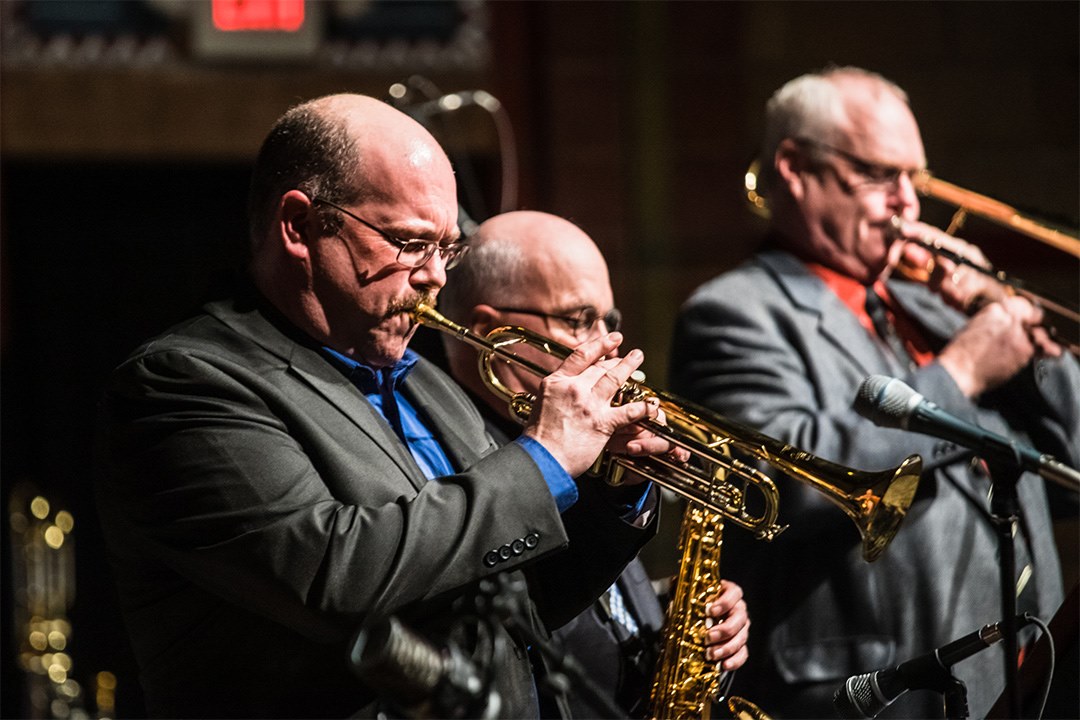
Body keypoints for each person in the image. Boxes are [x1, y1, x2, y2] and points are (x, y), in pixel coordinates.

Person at [94, 94, 684, 719]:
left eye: (447, 249)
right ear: (299, 226)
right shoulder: (183, 383)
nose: (435, 277)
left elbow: (520, 600)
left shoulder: (424, 381)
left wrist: (612, 485)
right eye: (409, 243)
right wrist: (545, 458)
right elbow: (336, 576)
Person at [669, 67, 1079, 719]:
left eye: (913, 180)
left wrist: (1015, 330)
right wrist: (963, 371)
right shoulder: (732, 313)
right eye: (881, 175)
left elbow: (1072, 467)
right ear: (795, 167)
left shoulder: (939, 307)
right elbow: (777, 481)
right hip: (884, 691)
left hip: (1031, 676)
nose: (908, 205)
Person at [438, 210, 750, 718]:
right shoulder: (458, 465)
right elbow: (525, 609)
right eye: (579, 320)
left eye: (610, 322)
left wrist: (682, 620)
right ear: (493, 334)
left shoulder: (592, 450)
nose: (606, 344)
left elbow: (580, 594)